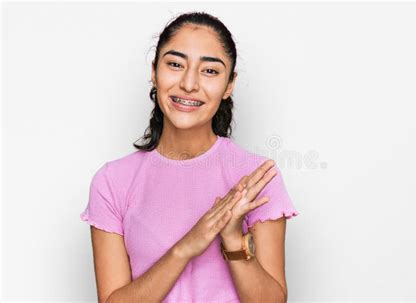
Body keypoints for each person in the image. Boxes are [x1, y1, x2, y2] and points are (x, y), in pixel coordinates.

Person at [80, 11, 299, 303]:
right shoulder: (112, 182)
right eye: (175, 64)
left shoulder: (256, 177)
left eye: (209, 71)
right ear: (154, 71)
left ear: (229, 85)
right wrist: (185, 248)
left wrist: (233, 238)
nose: (189, 84)